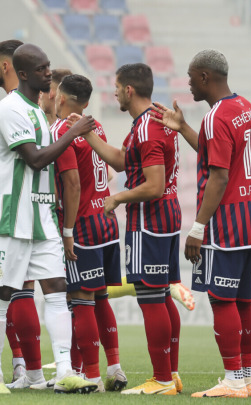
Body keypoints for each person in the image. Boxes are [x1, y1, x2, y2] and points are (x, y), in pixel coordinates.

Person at [0, 43, 97, 395]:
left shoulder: (36, 110)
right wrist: (71, 134)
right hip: (11, 218)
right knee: (2, 294)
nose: (50, 73)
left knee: (57, 290)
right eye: (43, 68)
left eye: (49, 67)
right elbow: (34, 159)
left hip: (42, 216)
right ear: (26, 74)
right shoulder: (10, 109)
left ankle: (63, 371)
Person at [151, 49, 251, 398]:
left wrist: (197, 229)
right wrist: (182, 125)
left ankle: (232, 380)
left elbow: (218, 175)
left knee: (221, 298)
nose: (186, 82)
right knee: (244, 300)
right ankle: (247, 377)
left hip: (227, 220)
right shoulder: (244, 107)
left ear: (204, 77)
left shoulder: (216, 116)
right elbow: (220, 154)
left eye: (190, 76)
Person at [82, 63, 182, 395]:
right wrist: (88, 134)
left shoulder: (148, 129)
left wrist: (118, 198)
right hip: (167, 215)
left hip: (150, 218)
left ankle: (163, 379)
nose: (112, 92)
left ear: (129, 90)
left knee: (151, 297)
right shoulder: (150, 122)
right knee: (163, 295)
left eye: (116, 86)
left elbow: (153, 185)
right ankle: (172, 374)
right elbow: (124, 161)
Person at [51, 74, 127, 391]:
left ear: (62, 98)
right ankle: (115, 368)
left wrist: (66, 230)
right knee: (101, 298)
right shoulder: (96, 126)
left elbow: (72, 183)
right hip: (106, 222)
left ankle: (92, 377)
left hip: (82, 224)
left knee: (80, 299)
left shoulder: (63, 130)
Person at [0, 39, 46, 386]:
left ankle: (27, 369)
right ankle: (16, 369)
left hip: (19, 213)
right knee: (15, 290)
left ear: (9, 66)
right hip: (17, 211)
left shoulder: (14, 108)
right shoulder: (22, 107)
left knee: (18, 290)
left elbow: (40, 160)